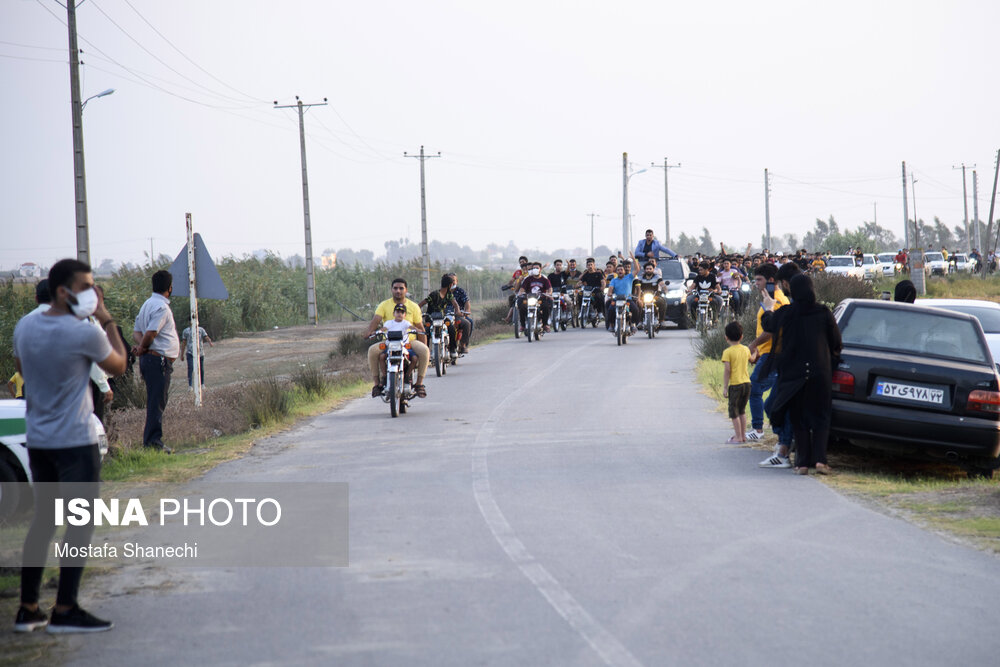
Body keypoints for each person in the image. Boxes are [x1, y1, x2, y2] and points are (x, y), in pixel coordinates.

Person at [12, 258, 127, 633]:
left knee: (43, 521)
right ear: (64, 291)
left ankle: (28, 607)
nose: (92, 295)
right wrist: (107, 319)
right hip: (76, 440)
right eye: (86, 288)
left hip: (40, 440)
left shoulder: (25, 328)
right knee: (79, 523)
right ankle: (65, 608)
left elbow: (24, 371)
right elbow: (119, 365)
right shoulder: (86, 331)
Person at [761, 274, 842, 474]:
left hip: (795, 374)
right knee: (821, 417)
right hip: (820, 372)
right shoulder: (823, 312)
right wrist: (829, 360)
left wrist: (769, 307)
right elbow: (836, 342)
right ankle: (821, 461)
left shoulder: (787, 312)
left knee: (800, 418)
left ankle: (802, 463)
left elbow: (769, 324)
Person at [746, 263, 791, 466]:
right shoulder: (769, 299)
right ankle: (771, 434)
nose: (756, 283)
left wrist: (753, 344)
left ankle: (765, 433)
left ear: (771, 281)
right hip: (766, 354)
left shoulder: (777, 301)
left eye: (759, 280)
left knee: (762, 393)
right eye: (755, 280)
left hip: (774, 355)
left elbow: (772, 330)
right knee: (761, 392)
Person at [132, 270, 179, 453]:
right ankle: (153, 443)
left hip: (150, 359)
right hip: (157, 361)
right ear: (169, 288)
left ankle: (152, 441)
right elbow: (151, 333)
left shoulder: (147, 305)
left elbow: (137, 332)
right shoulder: (161, 308)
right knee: (156, 402)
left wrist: (140, 346)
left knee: (155, 401)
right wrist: (144, 347)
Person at [364, 278, 429, 398]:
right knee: (372, 351)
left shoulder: (414, 307)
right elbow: (376, 321)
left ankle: (419, 384)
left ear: (406, 290)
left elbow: (420, 327)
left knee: (425, 351)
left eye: (401, 288)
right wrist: (369, 332)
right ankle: (377, 384)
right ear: (391, 290)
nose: (398, 291)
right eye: (395, 288)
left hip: (409, 341)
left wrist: (424, 343)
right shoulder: (384, 305)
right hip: (389, 341)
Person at [419, 274, 466, 361]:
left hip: (442, 318)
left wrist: (458, 311)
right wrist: (417, 313)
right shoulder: (434, 294)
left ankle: (452, 349)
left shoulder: (449, 295)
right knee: (427, 332)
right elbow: (422, 303)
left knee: (451, 329)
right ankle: (426, 352)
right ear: (450, 285)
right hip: (431, 318)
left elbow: (455, 304)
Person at [722, 321, 752, 444]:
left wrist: (725, 387)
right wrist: (755, 352)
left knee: (733, 412)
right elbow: (753, 359)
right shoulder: (746, 349)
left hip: (735, 385)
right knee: (742, 410)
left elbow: (727, 370)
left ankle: (738, 437)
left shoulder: (728, 352)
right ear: (741, 336)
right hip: (747, 383)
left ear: (726, 338)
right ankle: (743, 436)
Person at [377, 303, 418, 384]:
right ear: (393, 313)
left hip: (403, 347)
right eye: (397, 312)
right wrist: (378, 331)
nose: (399, 314)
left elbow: (412, 327)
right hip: (391, 346)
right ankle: (384, 377)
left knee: (414, 359)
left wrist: (418, 330)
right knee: (381, 357)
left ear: (405, 315)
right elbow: (383, 328)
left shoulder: (406, 323)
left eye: (402, 312)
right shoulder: (389, 323)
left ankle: (407, 375)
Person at [517, 262, 553, 333]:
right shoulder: (528, 279)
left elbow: (550, 289)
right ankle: (523, 325)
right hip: (529, 298)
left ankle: (545, 324)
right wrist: (521, 292)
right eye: (533, 268)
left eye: (537, 268)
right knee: (522, 307)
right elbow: (522, 288)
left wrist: (549, 293)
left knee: (546, 306)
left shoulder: (544, 279)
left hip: (540, 299)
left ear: (540, 269)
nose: (535, 269)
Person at [605, 262, 640, 334]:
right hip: (616, 299)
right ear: (616, 271)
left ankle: (633, 324)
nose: (620, 271)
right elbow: (610, 289)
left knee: (635, 309)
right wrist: (610, 293)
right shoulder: (613, 280)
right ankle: (611, 325)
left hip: (627, 299)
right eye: (618, 270)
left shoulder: (629, 277)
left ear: (624, 271)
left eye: (621, 269)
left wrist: (634, 259)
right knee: (611, 309)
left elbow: (637, 269)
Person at [179, 320, 214, 389]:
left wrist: (210, 342)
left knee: (201, 368)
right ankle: (190, 385)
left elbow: (206, 337)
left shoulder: (201, 330)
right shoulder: (186, 331)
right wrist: (182, 354)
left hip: (200, 352)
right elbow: (184, 343)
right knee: (190, 368)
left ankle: (202, 384)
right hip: (190, 352)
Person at [448, 273, 473, 352]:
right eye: (449, 281)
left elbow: (467, 302)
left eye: (453, 281)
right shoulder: (443, 292)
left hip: (458, 315)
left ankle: (463, 345)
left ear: (457, 281)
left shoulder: (460, 291)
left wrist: (466, 312)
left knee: (469, 323)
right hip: (445, 316)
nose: (452, 283)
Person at [577, 257, 606, 323]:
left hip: (596, 290)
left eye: (591, 265)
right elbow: (581, 281)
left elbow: (603, 282)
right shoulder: (586, 274)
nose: (590, 266)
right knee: (580, 295)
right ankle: (581, 311)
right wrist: (578, 285)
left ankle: (600, 312)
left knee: (599, 296)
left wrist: (602, 288)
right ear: (586, 266)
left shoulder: (598, 273)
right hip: (587, 290)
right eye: (588, 265)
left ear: (594, 265)